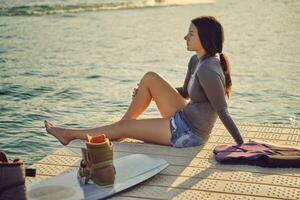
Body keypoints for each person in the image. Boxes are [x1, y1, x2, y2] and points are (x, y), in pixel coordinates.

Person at [45, 16, 244, 148]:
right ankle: (123, 127)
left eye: (191, 34)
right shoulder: (196, 60)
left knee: (124, 127)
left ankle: (70, 134)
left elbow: (222, 110)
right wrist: (147, 93)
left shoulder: (209, 69)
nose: (185, 37)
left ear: (205, 37)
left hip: (189, 134)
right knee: (150, 78)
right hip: (185, 116)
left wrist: (242, 145)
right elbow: (185, 92)